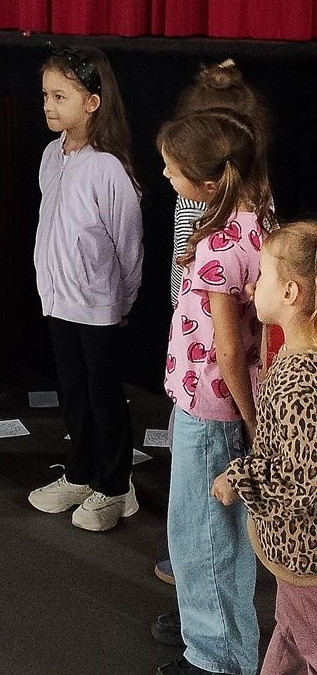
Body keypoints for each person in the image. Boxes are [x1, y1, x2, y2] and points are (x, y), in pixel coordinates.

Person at [155, 110, 275, 675]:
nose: (164, 176)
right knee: (205, 532)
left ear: (207, 184)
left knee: (203, 536)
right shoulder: (257, 220)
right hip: (215, 408)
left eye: (172, 169)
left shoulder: (217, 247)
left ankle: (217, 657)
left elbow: (228, 351)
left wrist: (251, 422)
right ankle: (202, 622)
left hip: (212, 412)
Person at [27, 46, 144, 532]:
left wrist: (124, 300)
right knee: (73, 392)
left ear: (92, 102)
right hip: (58, 300)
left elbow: (128, 244)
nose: (48, 106)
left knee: (103, 396)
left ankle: (115, 486)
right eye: (45, 95)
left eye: (60, 96)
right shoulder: (51, 156)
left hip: (97, 305)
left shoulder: (108, 169)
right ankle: (80, 473)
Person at [212, 221, 317, 675]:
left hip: (305, 557)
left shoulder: (298, 385)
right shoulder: (294, 360)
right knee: (290, 634)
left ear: (290, 292)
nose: (252, 285)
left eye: (263, 274)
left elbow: (301, 482)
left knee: (305, 638)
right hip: (295, 557)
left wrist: (238, 477)